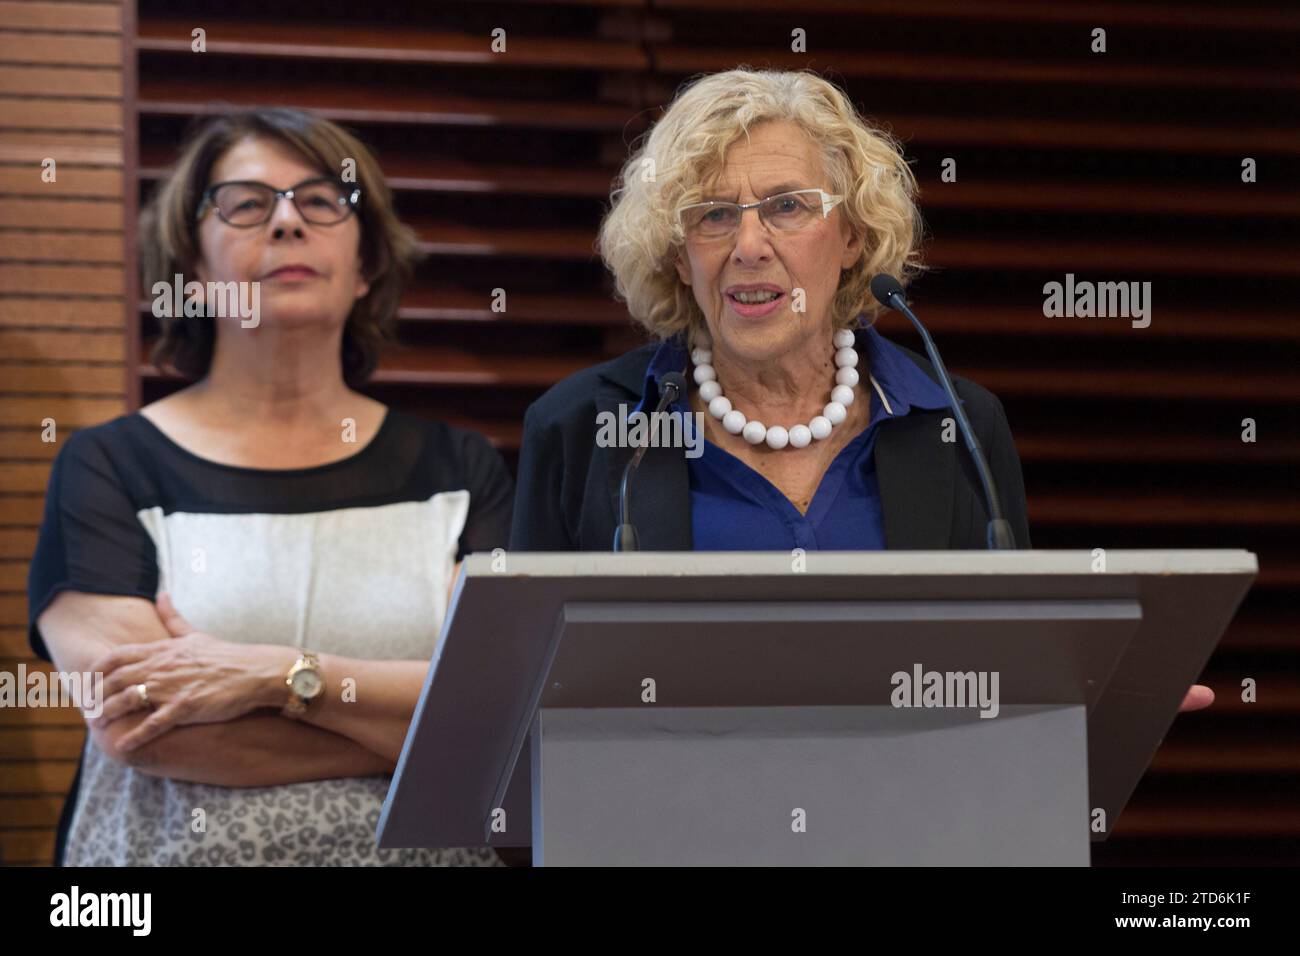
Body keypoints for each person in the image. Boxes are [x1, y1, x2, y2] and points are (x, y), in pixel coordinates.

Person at [510, 68, 1213, 714]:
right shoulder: (583, 429)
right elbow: (524, 708)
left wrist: (1086, 698)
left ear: (850, 236)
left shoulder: (957, 424)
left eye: (787, 206)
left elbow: (1006, 675)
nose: (748, 244)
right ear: (677, 252)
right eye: (713, 214)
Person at [28, 107, 513, 866]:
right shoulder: (109, 466)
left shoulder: (461, 470)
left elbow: (499, 715)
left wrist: (279, 678)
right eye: (247, 204)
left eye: (322, 201)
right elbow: (143, 723)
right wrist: (416, 723)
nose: (287, 222)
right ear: (192, 268)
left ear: (366, 266)